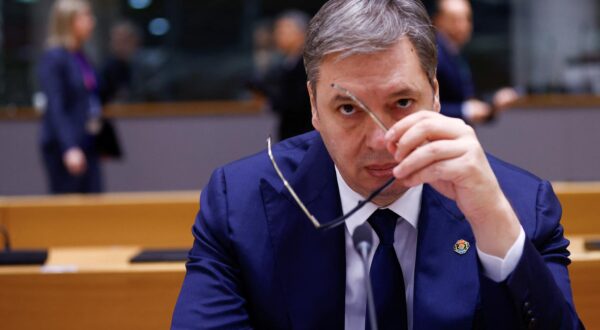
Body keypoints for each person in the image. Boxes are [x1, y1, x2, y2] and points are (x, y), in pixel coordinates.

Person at [172, 0, 582, 329]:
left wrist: (494, 228)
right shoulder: (239, 206)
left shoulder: (521, 207)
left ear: (435, 95)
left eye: (402, 103)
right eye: (348, 108)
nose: (381, 140)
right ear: (314, 106)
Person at [37, 0, 102, 193]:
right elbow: (56, 107)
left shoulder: (81, 55)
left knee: (95, 211)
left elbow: (90, 100)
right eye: (86, 17)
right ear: (69, 22)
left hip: (88, 142)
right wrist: (70, 147)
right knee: (69, 214)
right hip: (65, 147)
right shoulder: (54, 57)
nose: (92, 22)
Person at [432, 0, 519, 124]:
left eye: (467, 19)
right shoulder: (434, 55)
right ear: (438, 20)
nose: (463, 25)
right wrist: (464, 110)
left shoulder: (455, 54)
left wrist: (493, 103)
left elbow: (467, 99)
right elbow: (425, 107)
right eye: (454, 19)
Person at [252, 10, 313, 141]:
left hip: (304, 134)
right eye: (277, 32)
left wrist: (271, 101)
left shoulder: (308, 64)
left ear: (301, 34)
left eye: (283, 31)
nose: (277, 36)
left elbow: (297, 102)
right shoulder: (287, 63)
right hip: (291, 134)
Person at [99, 20, 142, 104]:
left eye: (124, 40)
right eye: (116, 40)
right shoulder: (107, 69)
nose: (119, 45)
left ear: (135, 41)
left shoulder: (144, 66)